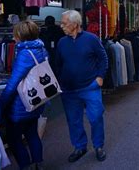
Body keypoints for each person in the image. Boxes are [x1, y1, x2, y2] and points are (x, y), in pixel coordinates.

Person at [56, 10, 108, 163]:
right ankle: (80, 146)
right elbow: (57, 64)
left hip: (90, 87)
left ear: (75, 24)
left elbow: (103, 58)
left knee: (96, 117)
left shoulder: (91, 39)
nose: (61, 26)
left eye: (64, 23)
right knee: (73, 120)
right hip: (69, 90)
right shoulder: (61, 42)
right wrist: (60, 81)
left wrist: (100, 77)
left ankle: (98, 146)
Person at [0, 21, 47, 170]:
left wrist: (0, 106)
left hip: (21, 104)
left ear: (20, 35)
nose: (13, 37)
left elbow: (13, 84)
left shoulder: (25, 54)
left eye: (15, 34)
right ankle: (38, 164)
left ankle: (26, 166)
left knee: (14, 139)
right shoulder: (41, 49)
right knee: (31, 133)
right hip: (36, 99)